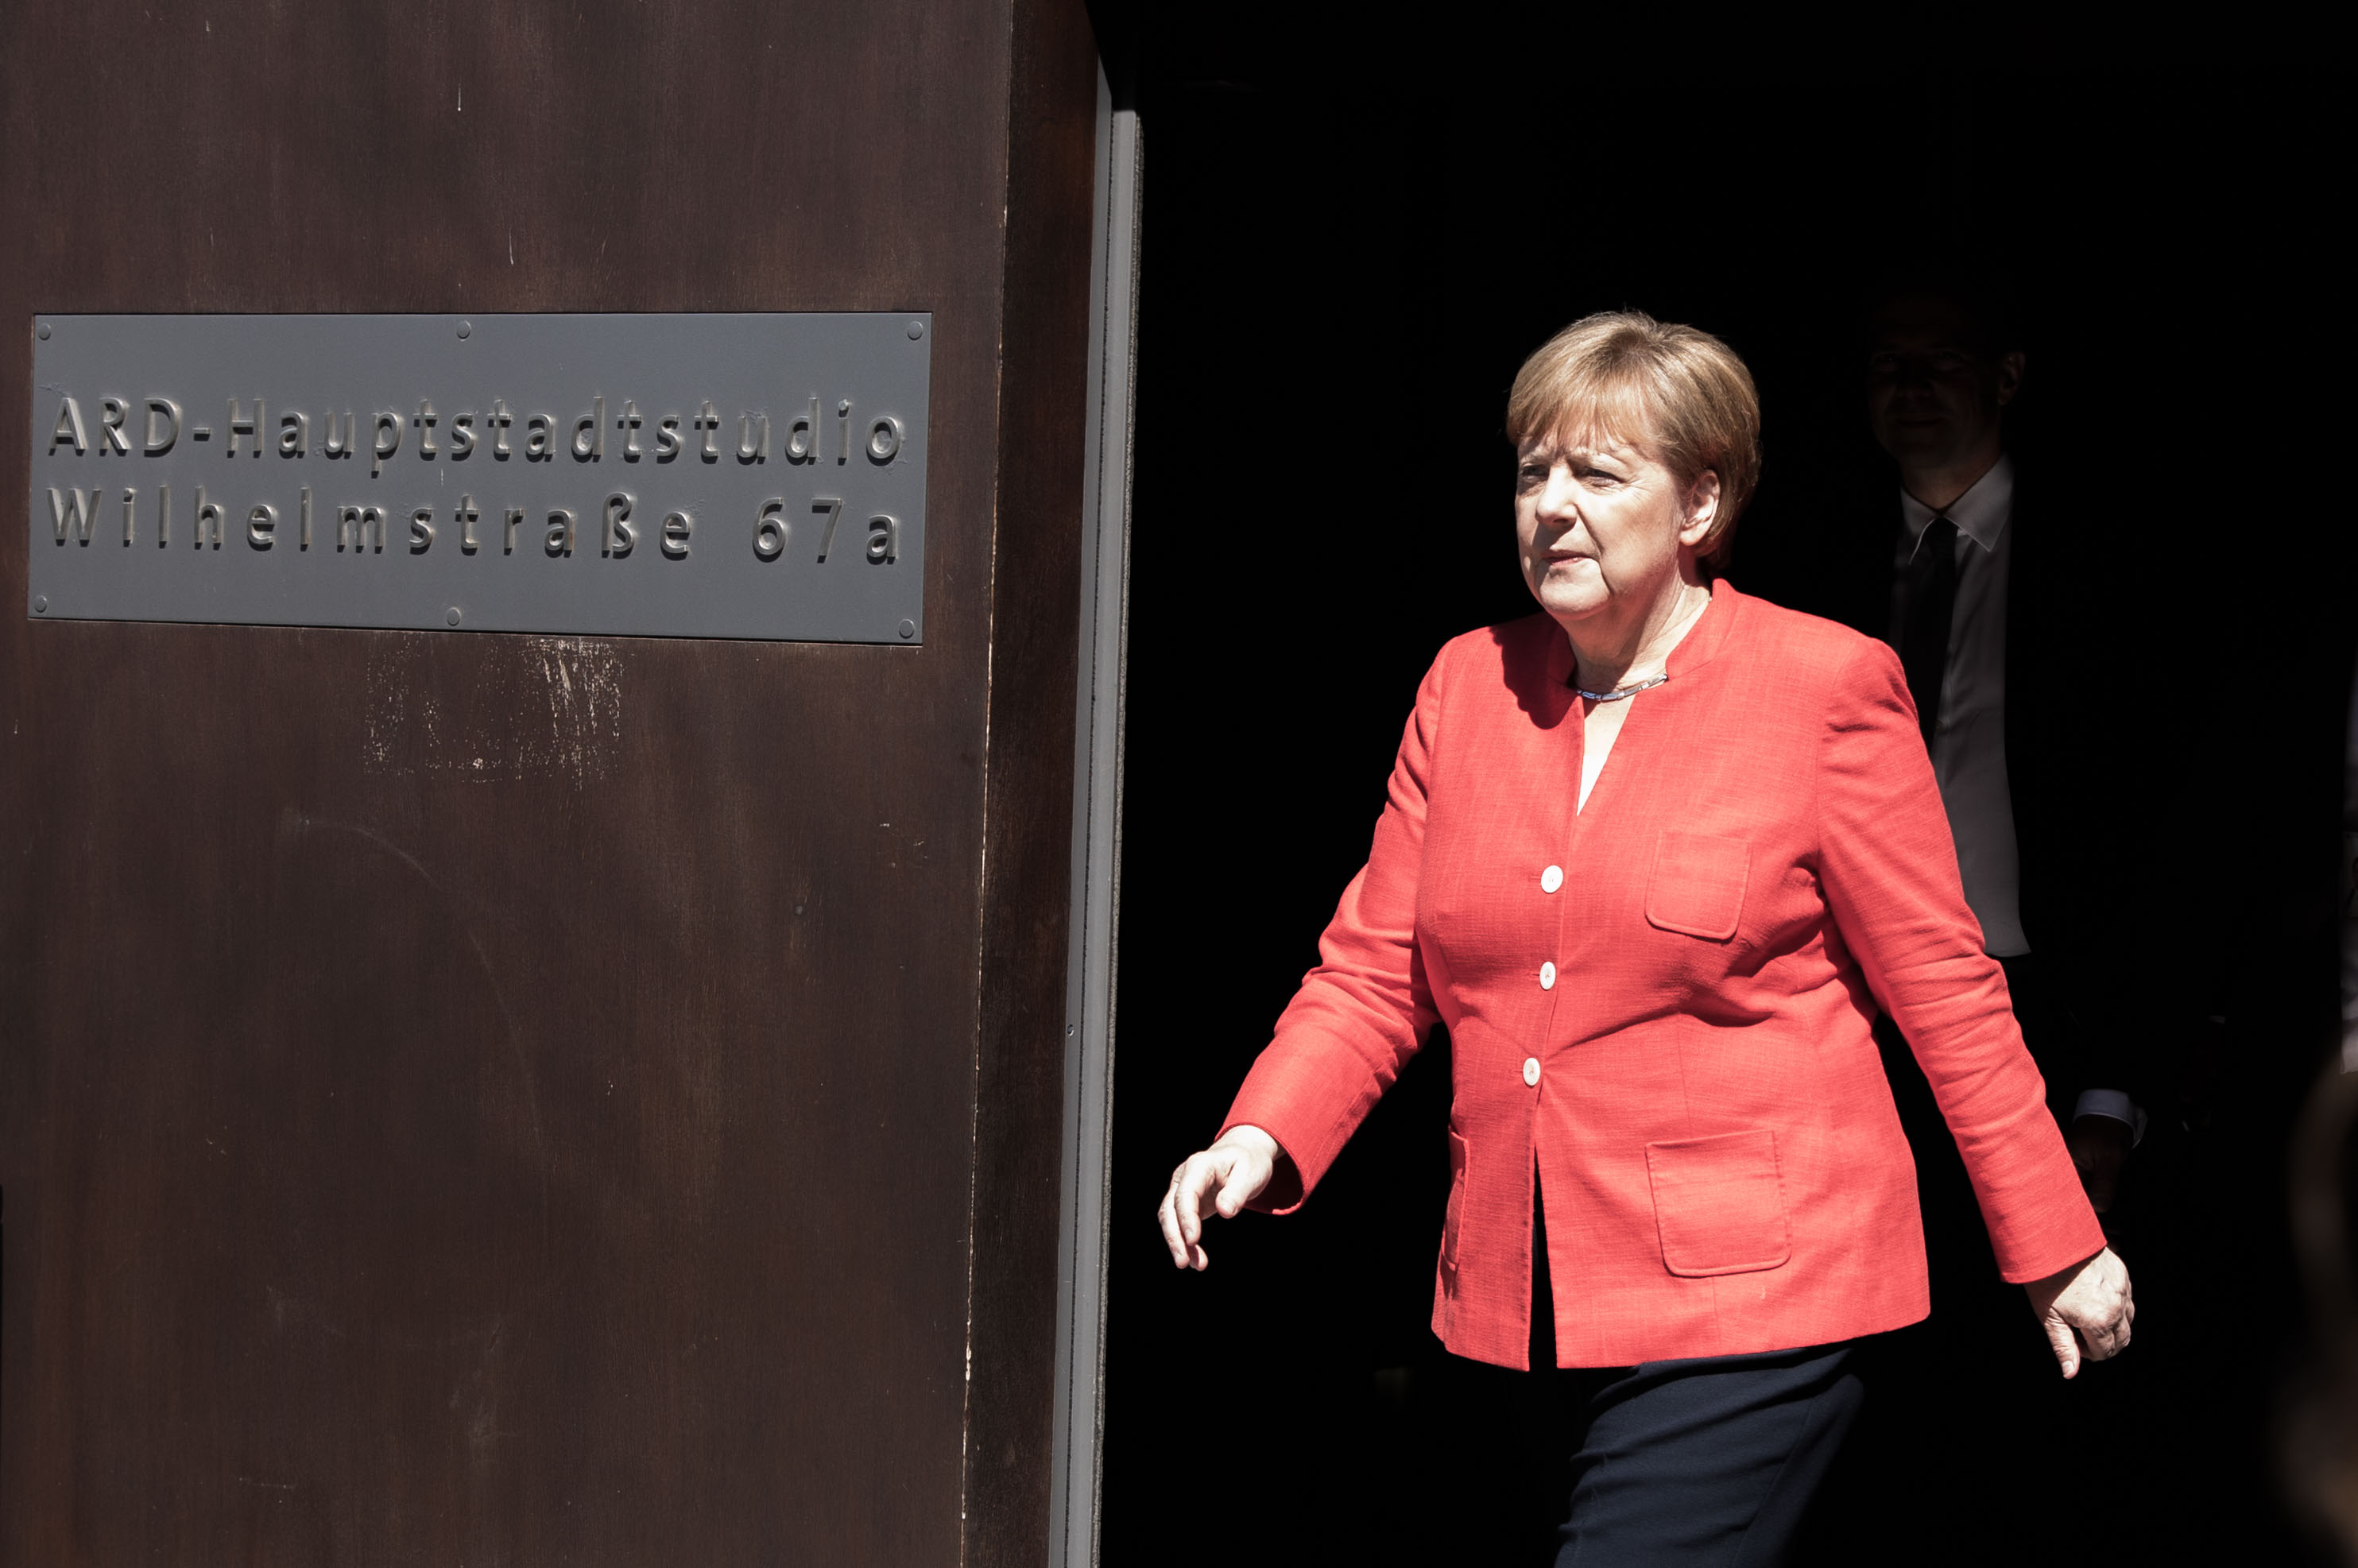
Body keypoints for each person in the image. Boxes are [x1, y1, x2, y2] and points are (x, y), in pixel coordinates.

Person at [1156, 312, 2133, 1562]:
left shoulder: (1825, 686)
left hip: (1755, 1306)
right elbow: (1377, 966)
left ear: (1700, 502)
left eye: (1598, 475)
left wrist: (2056, 1243)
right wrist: (1262, 1130)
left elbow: (1945, 987)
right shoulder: (1467, 686)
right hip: (1518, 1300)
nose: (1551, 506)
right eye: (1531, 472)